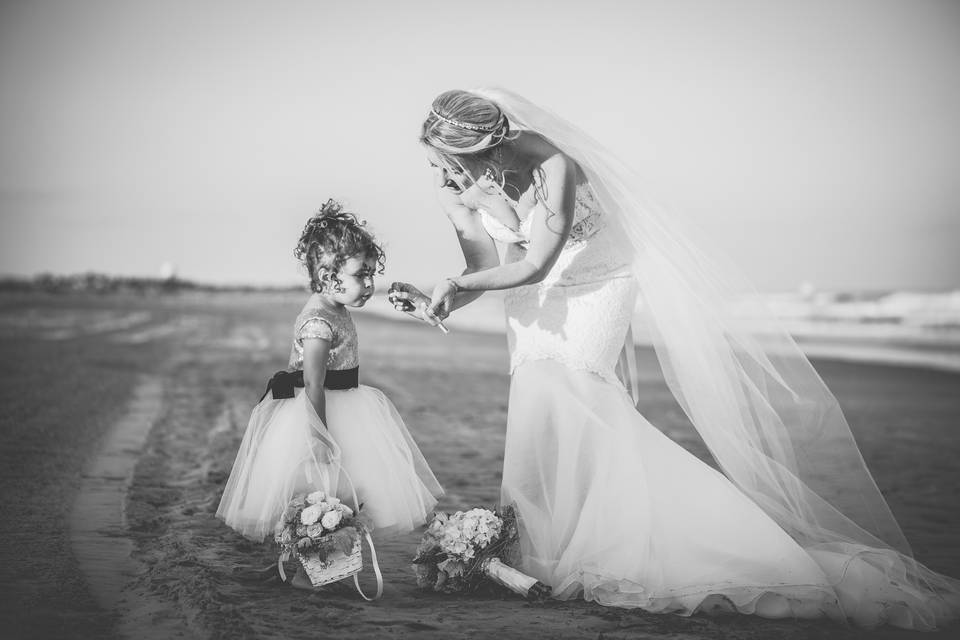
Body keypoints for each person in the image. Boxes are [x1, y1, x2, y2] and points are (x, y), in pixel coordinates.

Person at [390, 88, 960, 629]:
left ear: (485, 148)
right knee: (539, 411)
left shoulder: (553, 166)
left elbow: (537, 261)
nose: (444, 173)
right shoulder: (454, 190)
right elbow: (481, 269)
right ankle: (548, 548)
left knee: (580, 398)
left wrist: (458, 282)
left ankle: (672, 539)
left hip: (595, 285)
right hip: (531, 300)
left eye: (449, 160)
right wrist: (438, 298)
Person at [217, 199, 443, 551]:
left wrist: (419, 307)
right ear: (327, 276)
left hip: (348, 407)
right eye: (360, 275)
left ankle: (329, 561)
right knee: (315, 493)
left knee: (344, 493)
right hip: (318, 413)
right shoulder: (318, 321)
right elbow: (312, 383)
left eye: (371, 273)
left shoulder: (334, 306)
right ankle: (312, 565)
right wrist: (319, 435)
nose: (369, 284)